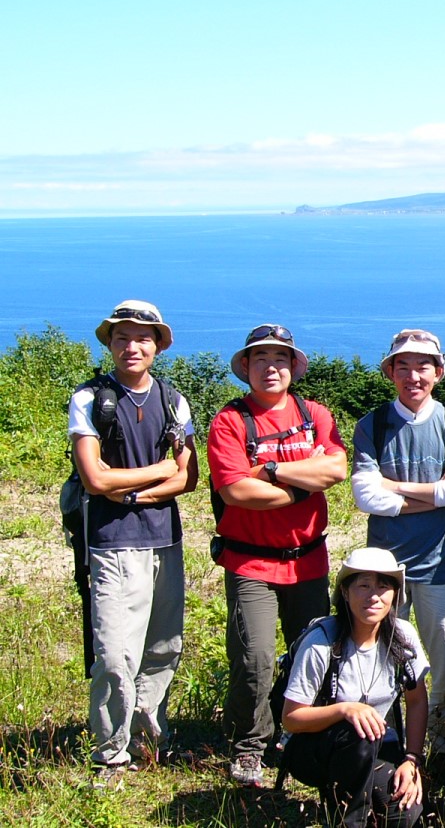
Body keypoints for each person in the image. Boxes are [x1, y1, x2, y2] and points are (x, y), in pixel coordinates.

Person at [208, 324, 348, 788]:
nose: (271, 367)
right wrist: (299, 489)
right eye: (261, 358)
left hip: (308, 559)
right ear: (245, 367)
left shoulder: (315, 414)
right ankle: (249, 744)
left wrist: (269, 469)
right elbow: (235, 491)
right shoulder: (230, 420)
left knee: (311, 654)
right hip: (251, 562)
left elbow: (335, 468)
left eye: (281, 358)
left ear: (293, 367)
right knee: (255, 658)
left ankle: (295, 734)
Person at [68, 300, 198, 781]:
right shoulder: (90, 398)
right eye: (121, 337)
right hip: (110, 541)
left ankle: (150, 734)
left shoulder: (172, 399)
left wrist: (135, 491)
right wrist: (160, 470)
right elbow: (94, 479)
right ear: (110, 343)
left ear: (158, 345)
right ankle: (111, 751)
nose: (132, 346)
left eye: (143, 338)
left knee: (164, 645)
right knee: (116, 652)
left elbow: (188, 478)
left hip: (164, 538)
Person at [352, 328, 445, 711]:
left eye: (423, 365)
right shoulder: (371, 426)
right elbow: (365, 497)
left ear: (439, 372)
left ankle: (443, 748)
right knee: (379, 664)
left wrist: (393, 487)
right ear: (389, 372)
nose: (413, 376)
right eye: (402, 366)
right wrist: (434, 495)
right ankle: (384, 748)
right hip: (385, 570)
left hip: (442, 568)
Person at [281, 547, 429, 828]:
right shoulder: (322, 641)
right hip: (314, 751)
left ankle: (363, 803)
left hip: (374, 749)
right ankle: (349, 821)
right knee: (360, 735)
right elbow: (291, 718)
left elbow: (417, 701)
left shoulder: (403, 636)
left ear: (395, 596)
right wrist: (345, 710)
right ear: (345, 593)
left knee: (404, 814)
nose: (373, 596)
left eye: (383, 586)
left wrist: (411, 760)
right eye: (363, 585)